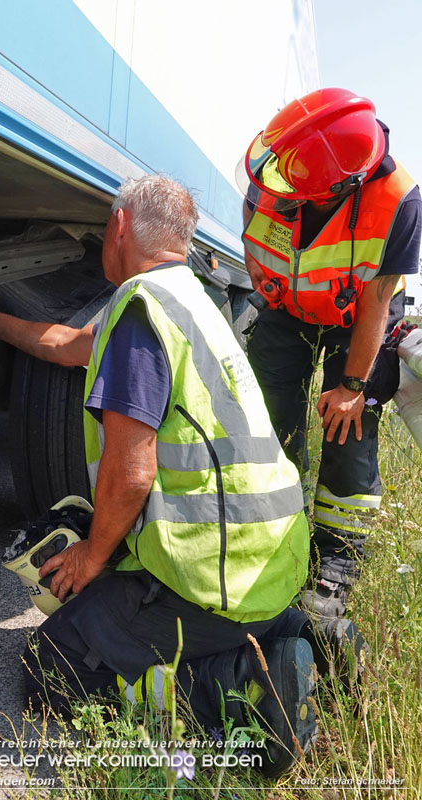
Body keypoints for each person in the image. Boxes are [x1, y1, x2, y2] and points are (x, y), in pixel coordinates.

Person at [0, 175, 319, 775]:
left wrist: (92, 557)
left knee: (53, 669)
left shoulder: (139, 311)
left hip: (211, 582)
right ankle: (303, 634)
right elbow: (65, 343)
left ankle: (247, 686)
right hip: (269, 568)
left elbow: (132, 472)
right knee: (112, 609)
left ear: (119, 227)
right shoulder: (193, 302)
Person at [237, 88, 422, 617]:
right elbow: (256, 225)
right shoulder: (278, 169)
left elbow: (377, 302)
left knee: (350, 426)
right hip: (285, 307)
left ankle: (336, 559)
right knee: (271, 420)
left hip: (356, 318)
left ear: (338, 186)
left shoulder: (398, 202)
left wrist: (353, 387)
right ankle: (278, 528)